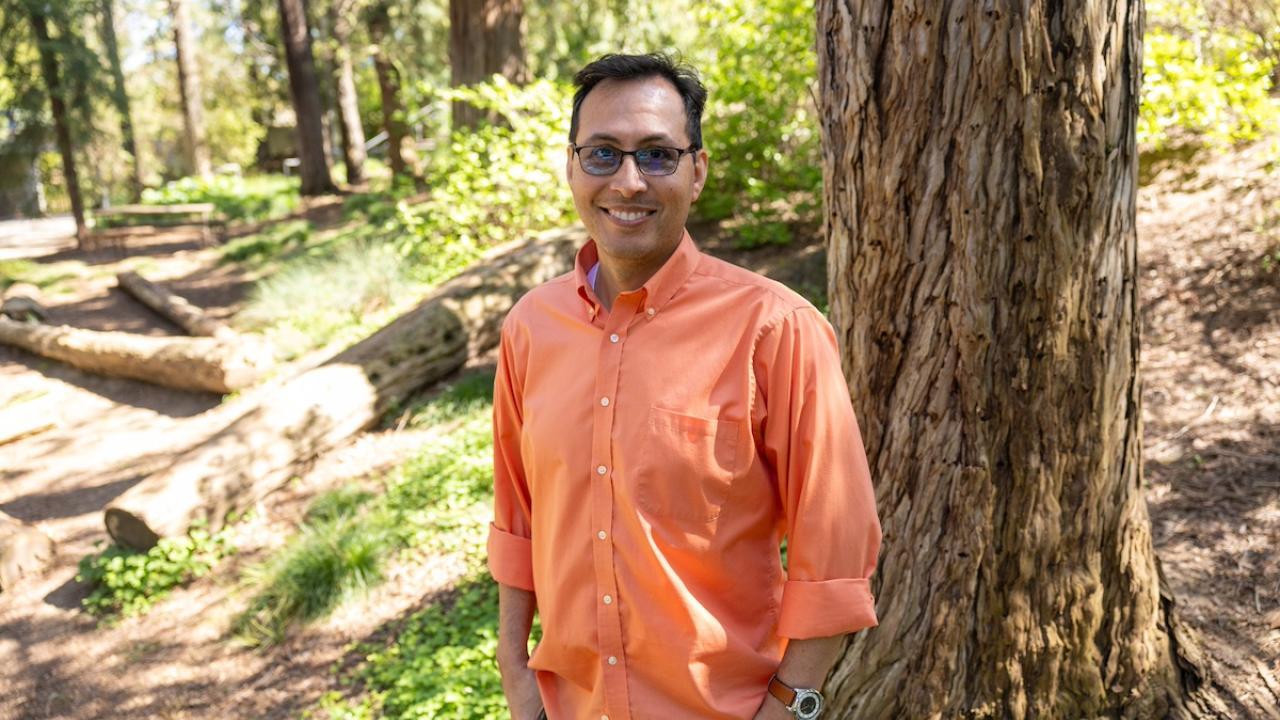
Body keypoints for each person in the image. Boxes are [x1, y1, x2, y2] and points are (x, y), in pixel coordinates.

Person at [488, 53, 881, 720]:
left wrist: (792, 705)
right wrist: (517, 679)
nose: (629, 180)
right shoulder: (531, 328)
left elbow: (835, 550)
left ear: (696, 171)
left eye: (658, 155)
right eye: (604, 154)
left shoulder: (776, 329)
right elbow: (517, 518)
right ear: (572, 167)